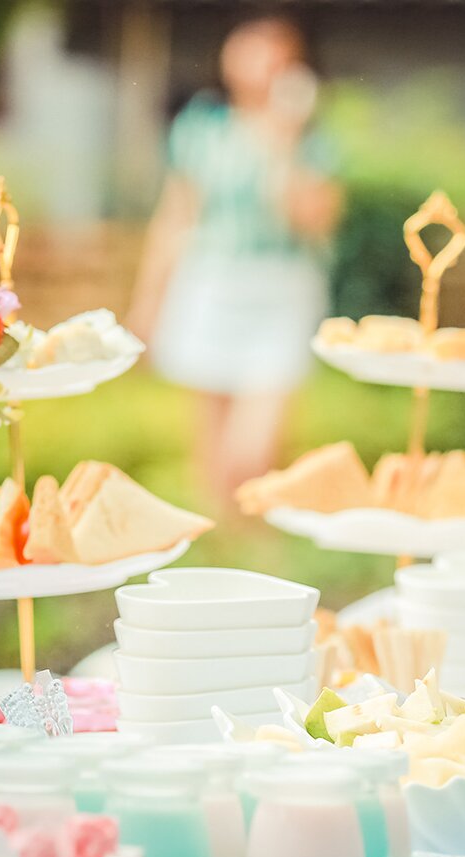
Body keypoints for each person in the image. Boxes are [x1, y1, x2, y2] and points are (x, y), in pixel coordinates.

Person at [126, 16, 342, 507]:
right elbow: (174, 218)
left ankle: (256, 537)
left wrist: (283, 142)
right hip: (211, 282)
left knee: (254, 449)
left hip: (281, 288)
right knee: (211, 442)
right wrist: (147, 305)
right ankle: (227, 546)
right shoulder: (203, 128)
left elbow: (313, 219)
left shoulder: (311, 140)